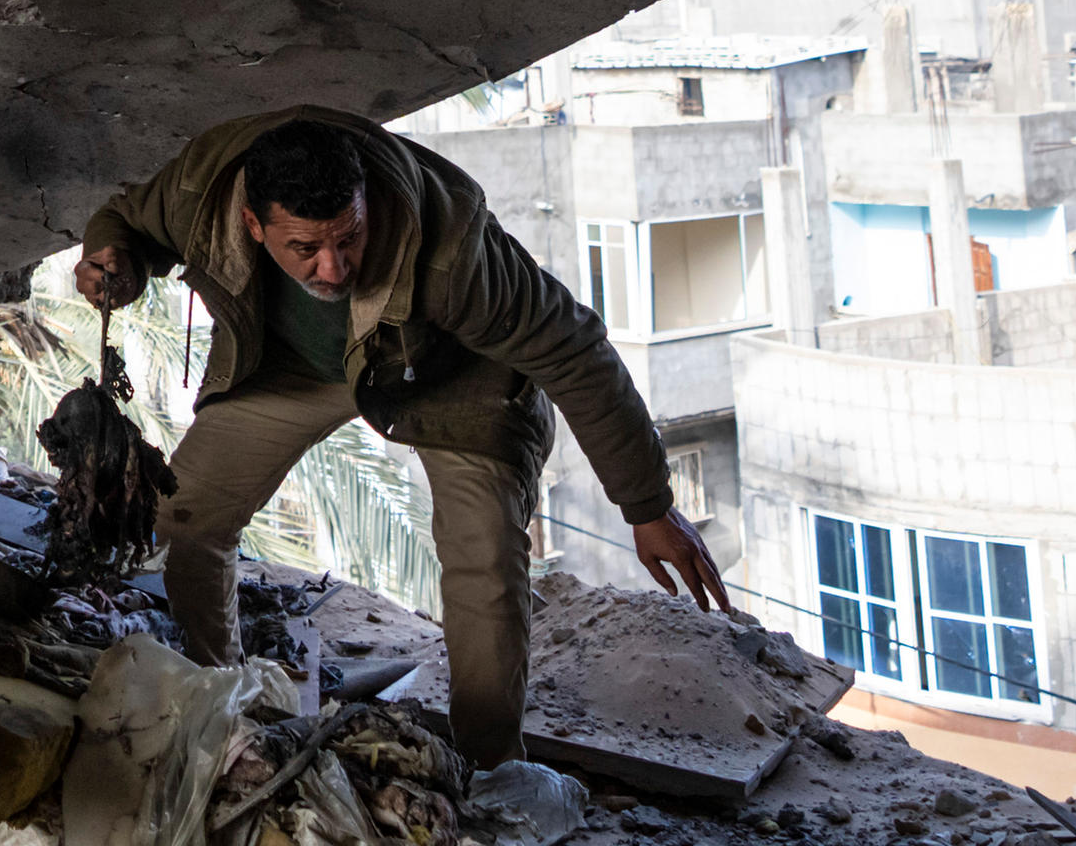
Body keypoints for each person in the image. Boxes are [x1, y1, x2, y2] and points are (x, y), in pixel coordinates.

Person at [71, 102, 733, 765]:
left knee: (484, 572)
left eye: (349, 237)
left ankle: (485, 768)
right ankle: (218, 711)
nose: (333, 268)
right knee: (186, 514)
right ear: (252, 222)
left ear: (366, 203)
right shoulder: (201, 190)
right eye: (304, 247)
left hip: (457, 377)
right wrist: (115, 262)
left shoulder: (453, 255)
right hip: (294, 362)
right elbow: (125, 219)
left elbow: (575, 351)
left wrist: (648, 506)